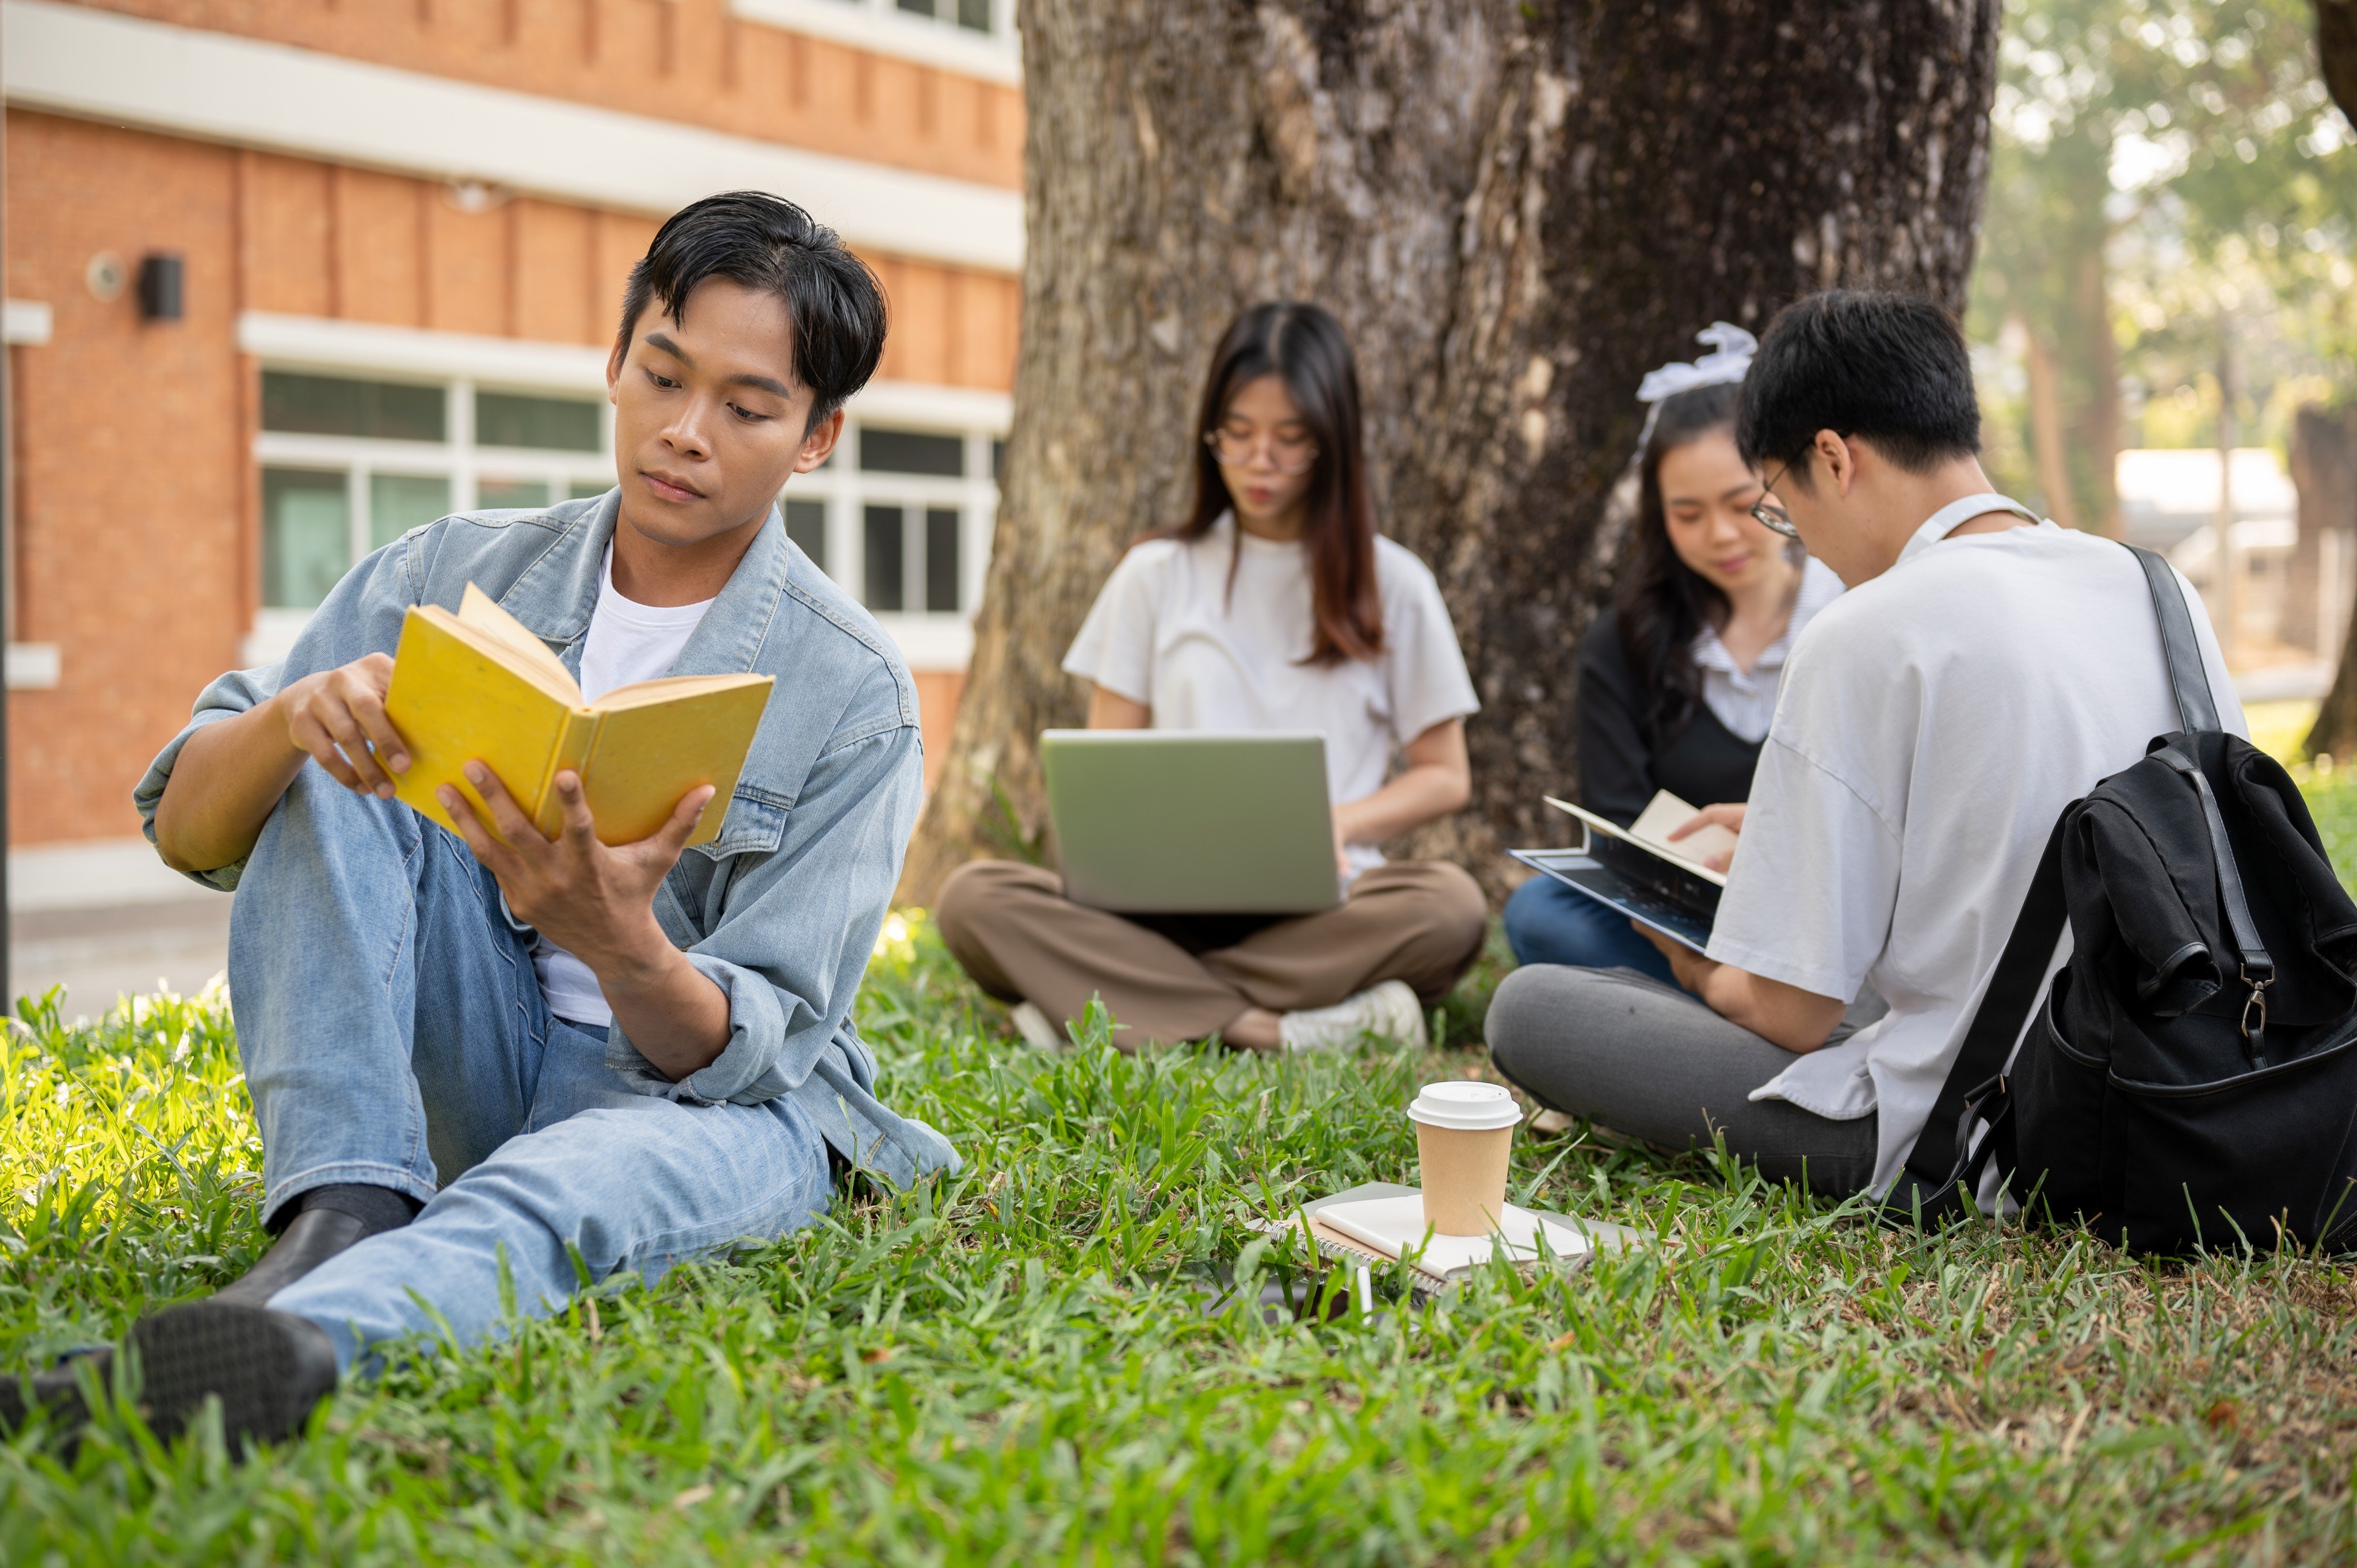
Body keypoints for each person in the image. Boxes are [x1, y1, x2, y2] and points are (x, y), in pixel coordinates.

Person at [1, 193, 956, 1451]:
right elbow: (189, 833)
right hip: (470, 1046)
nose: (684, 434)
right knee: (332, 751)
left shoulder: (854, 695)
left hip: (705, 1112)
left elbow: (753, 1056)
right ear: (614, 361)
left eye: (746, 406)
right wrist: (296, 714)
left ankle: (290, 1348)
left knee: (564, 1188)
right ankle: (341, 1209)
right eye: (662, 376)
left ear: (817, 436)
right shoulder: (447, 570)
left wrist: (619, 941)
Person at [1485, 289, 2242, 1199]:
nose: (1797, 539)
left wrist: (1683, 948)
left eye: (1775, 507)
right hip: (2191, 1083)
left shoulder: (1865, 629)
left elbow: (1792, 1016)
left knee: (1532, 1011)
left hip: (1984, 1127)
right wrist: (1782, 827)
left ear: (1832, 458)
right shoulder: (2157, 588)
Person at [935, 302, 1487, 1054]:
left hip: (1327, 905)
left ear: (1334, 443)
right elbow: (1103, 772)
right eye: (1239, 433)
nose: (1261, 461)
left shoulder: (1394, 582)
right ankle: (1271, 1029)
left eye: (1291, 440)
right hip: (1160, 906)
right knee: (975, 900)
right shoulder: (1154, 574)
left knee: (1449, 906)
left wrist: (1340, 822)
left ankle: (1113, 1005)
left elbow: (1444, 776)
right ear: (1210, 432)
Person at [1502, 327, 1841, 984]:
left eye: (1742, 505)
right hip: (1681, 918)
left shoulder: (1851, 619)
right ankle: (1725, 999)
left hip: (1826, 916)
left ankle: (1738, 1008)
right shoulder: (1626, 642)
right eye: (1686, 514)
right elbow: (1617, 818)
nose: (1719, 535)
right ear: (1657, 516)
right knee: (1542, 910)